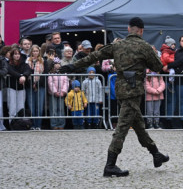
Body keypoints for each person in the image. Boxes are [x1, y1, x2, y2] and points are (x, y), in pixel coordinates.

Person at [60, 17, 168, 177]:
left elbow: (94, 56)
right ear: (142, 30)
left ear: (128, 29)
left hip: (121, 89)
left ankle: (156, 154)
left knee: (138, 124)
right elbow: (158, 66)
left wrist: (72, 66)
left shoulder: (117, 45)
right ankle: (110, 165)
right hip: (134, 91)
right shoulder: (145, 47)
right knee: (122, 127)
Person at [25, 45, 46, 130]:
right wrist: (32, 83)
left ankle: (38, 125)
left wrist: (37, 83)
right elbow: (26, 72)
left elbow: (45, 74)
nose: (35, 53)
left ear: (39, 52)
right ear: (31, 52)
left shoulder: (43, 61)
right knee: (31, 107)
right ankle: (32, 125)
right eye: (33, 51)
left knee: (39, 107)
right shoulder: (27, 61)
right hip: (30, 86)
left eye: (37, 51)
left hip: (40, 85)